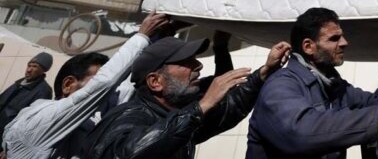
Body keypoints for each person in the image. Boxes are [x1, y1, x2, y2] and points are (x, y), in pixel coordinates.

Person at [246, 7, 378, 159]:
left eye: (341, 36)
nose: (344, 43)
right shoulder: (281, 85)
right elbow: (301, 132)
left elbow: (376, 102)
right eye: (334, 39)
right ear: (308, 46)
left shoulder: (335, 87)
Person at [86, 35, 291, 159]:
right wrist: (202, 106)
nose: (199, 66)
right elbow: (131, 154)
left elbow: (229, 108)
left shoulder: (175, 116)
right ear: (156, 82)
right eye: (186, 62)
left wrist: (265, 72)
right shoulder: (128, 117)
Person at [2, 13, 169, 159]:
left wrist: (157, 39)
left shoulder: (89, 121)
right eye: (96, 78)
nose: (110, 93)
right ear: (68, 85)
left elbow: (123, 87)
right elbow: (104, 84)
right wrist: (142, 37)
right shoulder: (41, 120)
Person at [0, 53, 54, 137]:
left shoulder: (44, 91)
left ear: (43, 70)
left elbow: (31, 122)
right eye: (29, 65)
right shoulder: (18, 83)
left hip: (5, 136)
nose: (29, 70)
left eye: (34, 66)